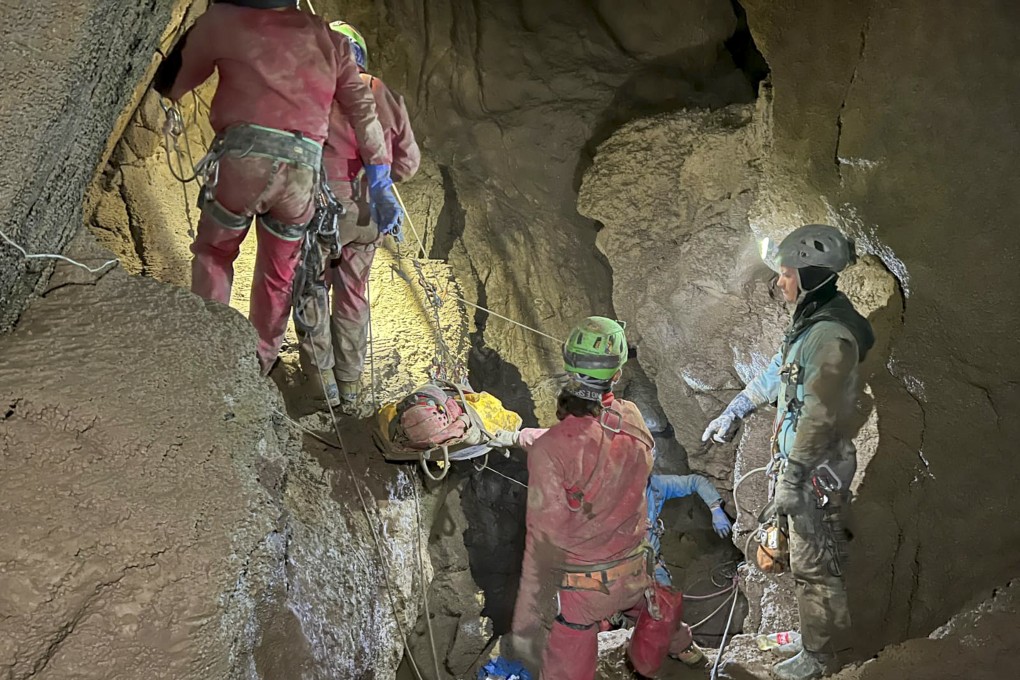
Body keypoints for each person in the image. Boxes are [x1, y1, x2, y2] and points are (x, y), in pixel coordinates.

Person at [153, 0, 400, 374]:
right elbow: (364, 115)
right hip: (301, 172)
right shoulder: (327, 40)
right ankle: (259, 363)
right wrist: (380, 183)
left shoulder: (224, 19)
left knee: (215, 252)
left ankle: (207, 349)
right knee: (279, 274)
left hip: (243, 158)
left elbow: (170, 84)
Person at [701, 224, 874, 680]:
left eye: (786, 272)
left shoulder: (832, 336)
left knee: (817, 564)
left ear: (810, 275)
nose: (780, 282)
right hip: (804, 465)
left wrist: (793, 479)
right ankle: (817, 638)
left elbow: (819, 414)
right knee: (807, 559)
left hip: (816, 469)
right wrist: (735, 409)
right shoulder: (811, 325)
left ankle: (822, 657)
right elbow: (780, 373)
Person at [507, 317, 692, 680]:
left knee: (566, 654)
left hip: (585, 595)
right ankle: (685, 648)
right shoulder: (632, 416)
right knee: (651, 604)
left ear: (569, 369)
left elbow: (542, 544)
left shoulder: (551, 450)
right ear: (617, 373)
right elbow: (605, 442)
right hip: (636, 572)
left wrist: (526, 623)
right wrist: (548, 442)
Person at [293, 20, 421, 407]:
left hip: (319, 208)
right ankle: (349, 382)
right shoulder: (379, 91)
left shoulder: (309, 89)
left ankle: (323, 384)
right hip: (368, 213)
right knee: (353, 292)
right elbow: (408, 162)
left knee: (310, 286)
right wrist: (376, 181)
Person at [647, 473, 732, 586]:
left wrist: (715, 508)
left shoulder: (654, 487)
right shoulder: (623, 499)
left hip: (652, 566)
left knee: (666, 594)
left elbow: (695, 482)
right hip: (626, 571)